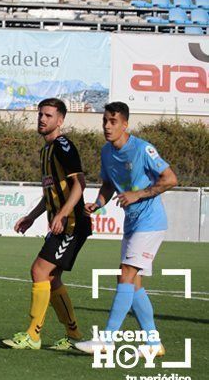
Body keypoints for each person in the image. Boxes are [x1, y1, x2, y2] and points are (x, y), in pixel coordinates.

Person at [75, 102, 177, 357]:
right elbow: (109, 184)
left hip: (150, 221)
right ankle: (153, 344)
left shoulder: (143, 149)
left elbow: (170, 179)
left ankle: (107, 341)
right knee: (134, 283)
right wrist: (98, 204)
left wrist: (138, 194)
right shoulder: (107, 152)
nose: (107, 126)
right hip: (132, 223)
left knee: (125, 275)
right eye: (105, 122)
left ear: (125, 124)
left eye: (113, 121)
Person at [2, 98, 91, 351]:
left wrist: (62, 215)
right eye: (40, 114)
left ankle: (33, 335)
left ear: (60, 120)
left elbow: (80, 183)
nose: (42, 119)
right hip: (63, 223)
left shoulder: (63, 146)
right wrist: (32, 216)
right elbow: (51, 192)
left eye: (49, 116)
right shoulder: (46, 151)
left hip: (72, 224)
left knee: (39, 271)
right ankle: (73, 335)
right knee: (51, 280)